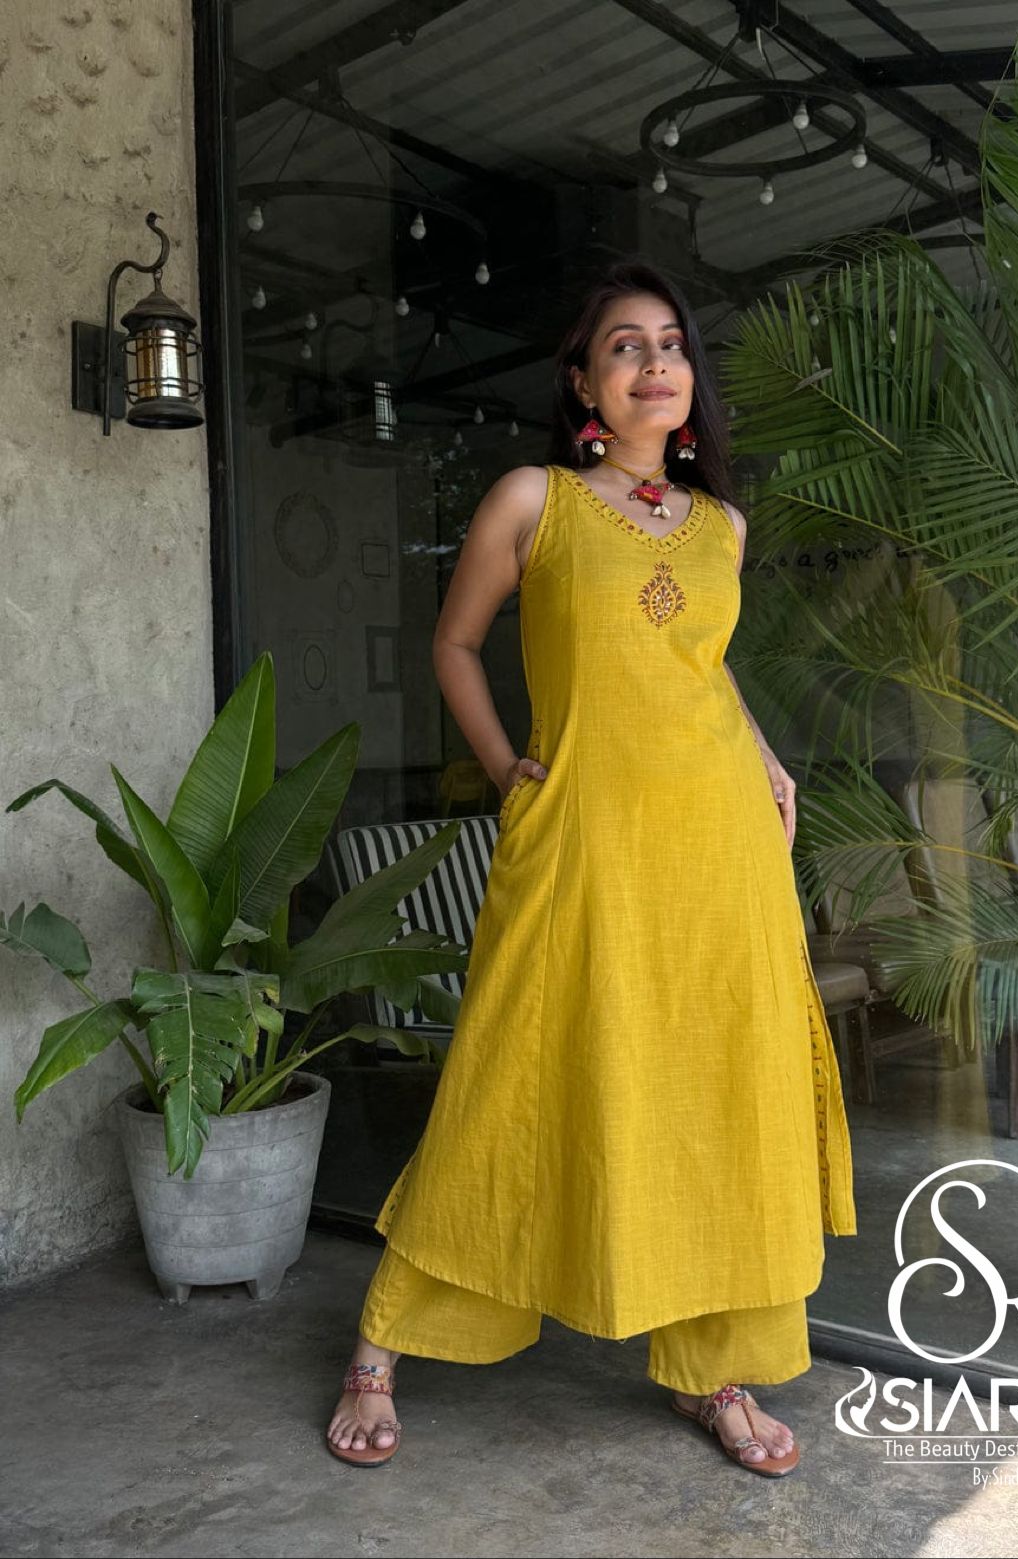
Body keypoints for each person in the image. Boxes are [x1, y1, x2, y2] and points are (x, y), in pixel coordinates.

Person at [325, 258, 857, 1477]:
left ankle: (712, 1366)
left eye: (671, 344)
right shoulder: (537, 501)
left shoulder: (725, 526)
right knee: (508, 1073)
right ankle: (381, 1342)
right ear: (583, 382)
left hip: (719, 848)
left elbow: (695, 665)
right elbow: (455, 643)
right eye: (626, 344)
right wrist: (506, 767)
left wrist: (766, 755)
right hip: (581, 838)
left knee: (713, 1093)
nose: (654, 362)